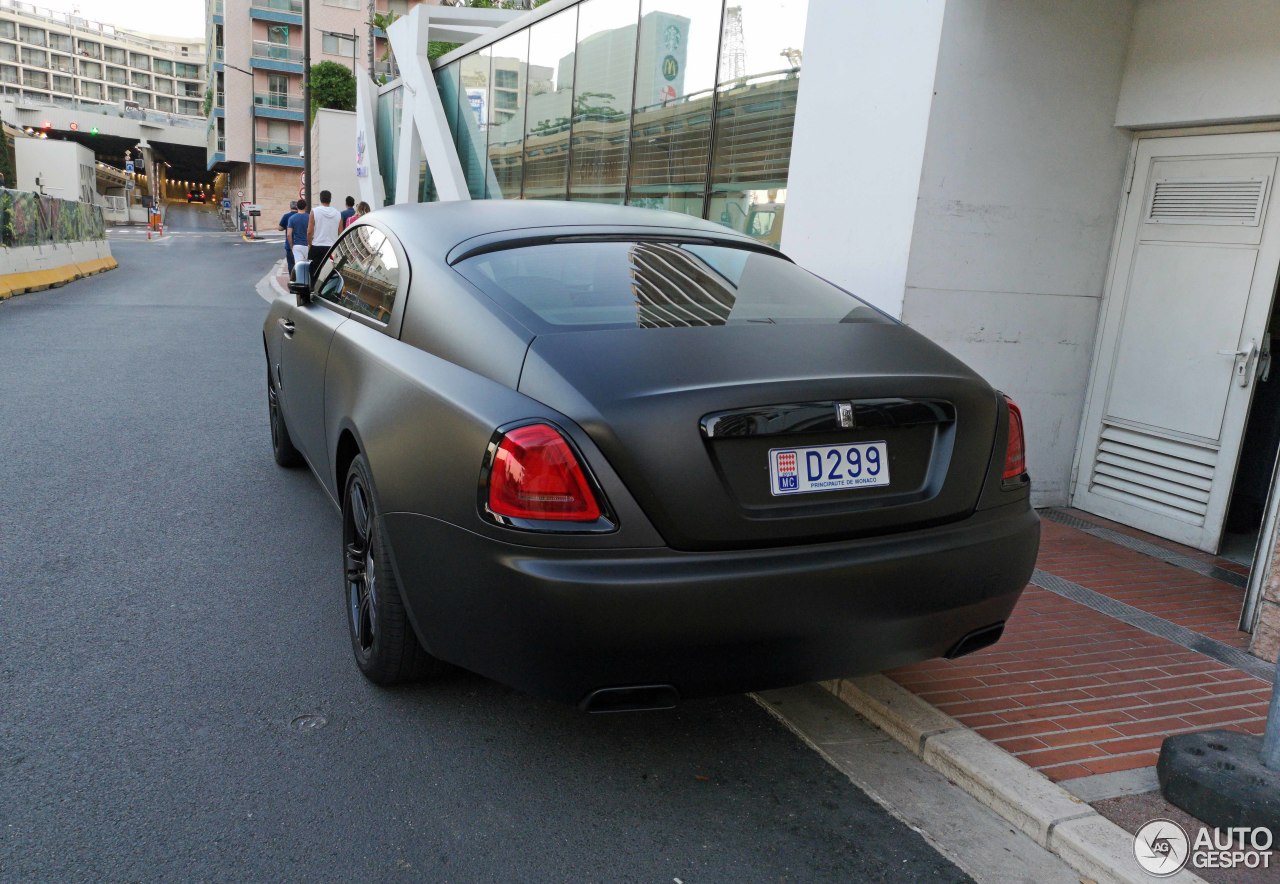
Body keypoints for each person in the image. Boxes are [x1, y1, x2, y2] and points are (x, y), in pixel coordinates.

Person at [307, 190, 342, 266]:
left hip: (317, 246)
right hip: (332, 248)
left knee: (314, 273)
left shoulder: (314, 211)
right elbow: (340, 233)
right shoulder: (338, 214)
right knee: (330, 273)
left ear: (320, 198)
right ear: (330, 199)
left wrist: (310, 244)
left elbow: (309, 232)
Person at [286, 199, 310, 272]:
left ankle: (299, 282)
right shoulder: (310, 218)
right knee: (308, 268)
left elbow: (289, 234)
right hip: (308, 245)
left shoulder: (292, 218)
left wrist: (291, 246)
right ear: (306, 207)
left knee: (299, 268)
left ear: (297, 207)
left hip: (297, 245)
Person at [277, 201, 298, 275]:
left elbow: (279, 228)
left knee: (291, 264)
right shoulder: (301, 215)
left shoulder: (286, 216)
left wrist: (286, 227)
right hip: (300, 244)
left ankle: (292, 278)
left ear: (290, 207)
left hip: (289, 244)